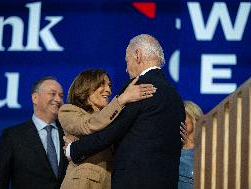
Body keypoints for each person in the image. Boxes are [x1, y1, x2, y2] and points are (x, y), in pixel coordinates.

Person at [64, 34, 186, 189]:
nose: (126, 68)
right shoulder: (175, 97)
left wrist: (74, 149)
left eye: (127, 60)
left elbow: (112, 131)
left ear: (138, 56)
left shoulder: (138, 88)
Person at [59, 69, 156, 189]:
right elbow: (89, 125)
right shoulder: (68, 111)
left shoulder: (113, 118)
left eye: (109, 85)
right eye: (101, 84)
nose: (108, 90)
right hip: (83, 183)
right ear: (85, 87)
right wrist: (121, 100)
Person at [0, 76, 68, 189]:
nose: (58, 99)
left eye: (61, 96)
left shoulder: (69, 133)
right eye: (52, 94)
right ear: (35, 98)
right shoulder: (12, 136)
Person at [178, 101, 203, 189]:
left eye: (182, 116)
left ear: (193, 117)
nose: (178, 120)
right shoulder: (172, 149)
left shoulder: (206, 150)